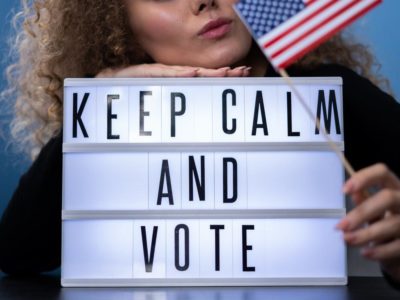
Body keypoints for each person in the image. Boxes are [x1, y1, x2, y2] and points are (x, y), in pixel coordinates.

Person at [0, 0, 399, 287]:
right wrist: (95, 104)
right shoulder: (108, 119)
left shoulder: (331, 96)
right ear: (117, 22)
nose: (204, 1)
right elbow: (19, 254)